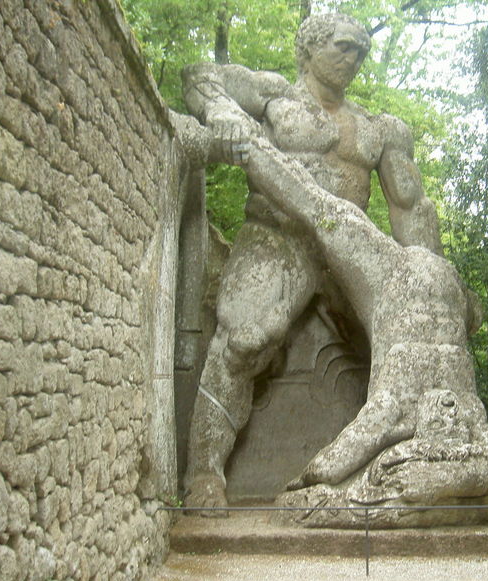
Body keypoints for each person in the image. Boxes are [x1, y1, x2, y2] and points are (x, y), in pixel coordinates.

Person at [182, 13, 448, 510]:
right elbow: (199, 76)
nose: (353, 59)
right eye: (343, 47)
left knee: (414, 339)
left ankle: (426, 462)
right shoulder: (274, 96)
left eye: (360, 51)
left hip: (351, 250)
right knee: (244, 338)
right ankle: (204, 471)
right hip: (279, 237)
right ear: (310, 48)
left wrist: (432, 279)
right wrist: (221, 112)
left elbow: (410, 209)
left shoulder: (380, 129)